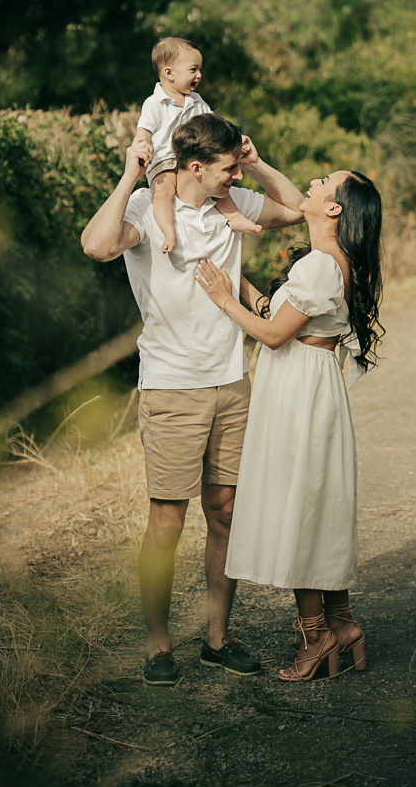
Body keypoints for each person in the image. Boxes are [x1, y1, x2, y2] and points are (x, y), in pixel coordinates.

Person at [81, 113, 305, 685]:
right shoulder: (147, 212)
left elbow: (296, 207)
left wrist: (254, 163)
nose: (234, 177)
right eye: (227, 169)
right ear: (195, 167)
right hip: (171, 386)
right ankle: (158, 645)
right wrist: (131, 174)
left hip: (232, 381)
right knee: (167, 521)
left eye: (237, 168)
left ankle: (216, 637)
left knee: (226, 513)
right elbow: (95, 245)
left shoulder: (231, 204)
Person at [196, 168, 383, 682]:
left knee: (302, 507)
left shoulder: (322, 265)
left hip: (299, 393)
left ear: (336, 208)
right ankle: (341, 625)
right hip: (306, 386)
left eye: (323, 182)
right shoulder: (323, 263)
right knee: (317, 506)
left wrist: (221, 299)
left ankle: (315, 636)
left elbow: (274, 335)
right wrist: (238, 282)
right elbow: (278, 311)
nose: (311, 185)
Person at [135, 36, 262, 254]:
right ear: (169, 73)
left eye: (200, 69)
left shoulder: (197, 101)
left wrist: (234, 140)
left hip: (195, 159)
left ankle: (235, 217)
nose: (199, 75)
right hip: (165, 160)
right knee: (163, 192)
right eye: (193, 69)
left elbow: (215, 128)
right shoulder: (155, 103)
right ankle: (168, 231)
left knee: (216, 188)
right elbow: (143, 131)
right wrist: (143, 145)